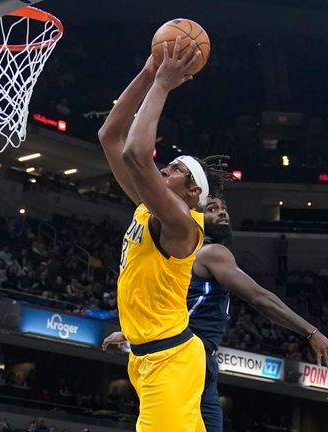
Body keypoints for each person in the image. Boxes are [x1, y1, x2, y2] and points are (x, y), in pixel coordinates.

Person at [104, 196, 328, 432]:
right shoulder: (211, 252)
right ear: (195, 216)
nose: (222, 212)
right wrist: (311, 332)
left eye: (224, 208)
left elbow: (170, 304)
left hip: (176, 356)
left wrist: (132, 332)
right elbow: (259, 297)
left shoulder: (176, 256)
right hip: (187, 358)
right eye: (212, 208)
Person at [98, 37, 214, 432]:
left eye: (177, 169)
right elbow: (110, 137)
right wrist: (148, 73)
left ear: (193, 192)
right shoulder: (150, 207)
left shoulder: (181, 223)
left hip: (170, 362)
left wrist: (163, 84)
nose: (166, 168)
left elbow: (134, 153)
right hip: (148, 356)